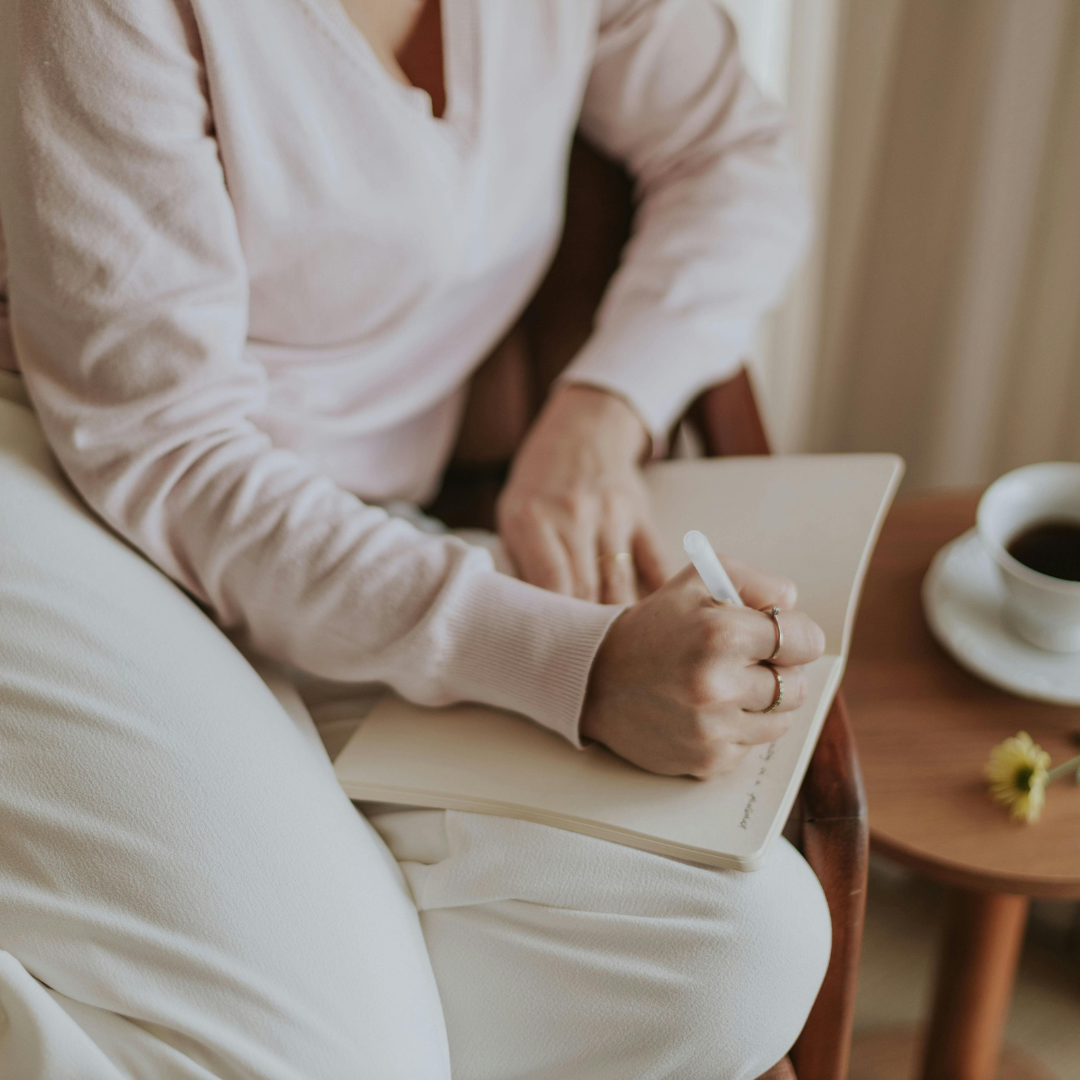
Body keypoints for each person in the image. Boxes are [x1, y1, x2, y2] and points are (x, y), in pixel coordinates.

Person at [0, 1, 831, 1077]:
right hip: (72, 496)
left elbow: (735, 151)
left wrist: (602, 409)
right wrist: (570, 667)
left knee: (744, 955)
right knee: (339, 1057)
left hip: (354, 544)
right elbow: (166, 448)